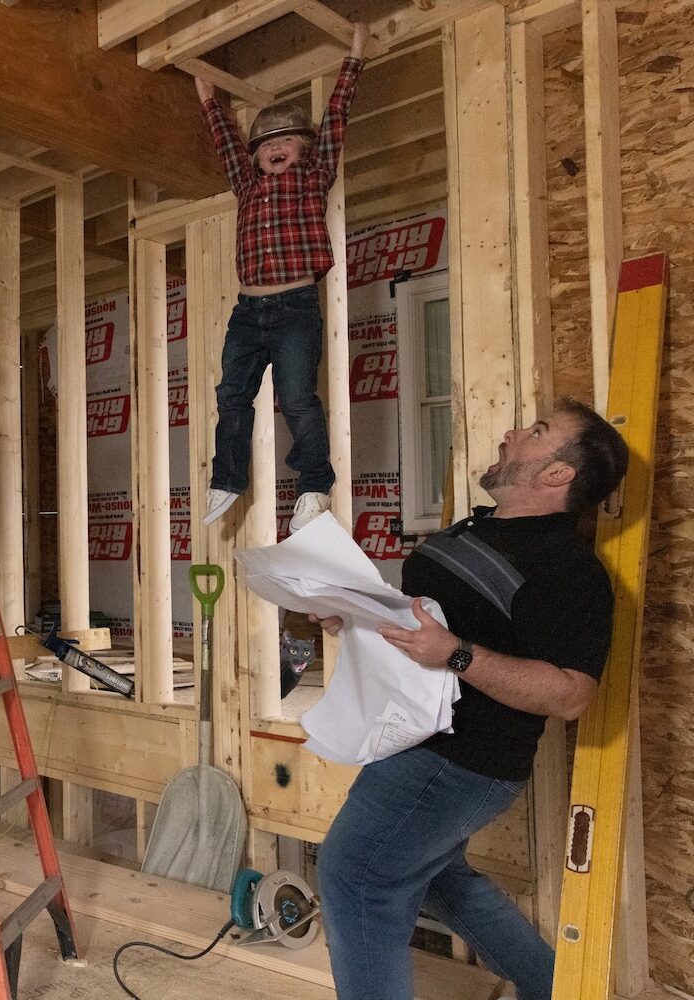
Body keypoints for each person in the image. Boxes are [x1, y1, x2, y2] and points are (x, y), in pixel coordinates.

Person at [310, 399, 629, 1000]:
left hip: (455, 763)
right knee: (437, 877)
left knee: (356, 877)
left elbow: (570, 695)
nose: (512, 434)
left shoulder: (567, 568)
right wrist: (355, 616)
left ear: (558, 474)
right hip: (414, 743)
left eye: (535, 433)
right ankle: (559, 991)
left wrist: (457, 655)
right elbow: (423, 624)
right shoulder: (478, 527)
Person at [195, 22, 371, 533]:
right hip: (247, 311)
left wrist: (354, 55)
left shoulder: (314, 175)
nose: (279, 148)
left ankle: (315, 484)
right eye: (268, 144)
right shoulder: (246, 184)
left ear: (306, 150)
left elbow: (336, 114)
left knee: (296, 398)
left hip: (295, 306)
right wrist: (208, 98)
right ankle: (227, 478)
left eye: (290, 141)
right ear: (253, 157)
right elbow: (225, 140)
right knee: (231, 394)